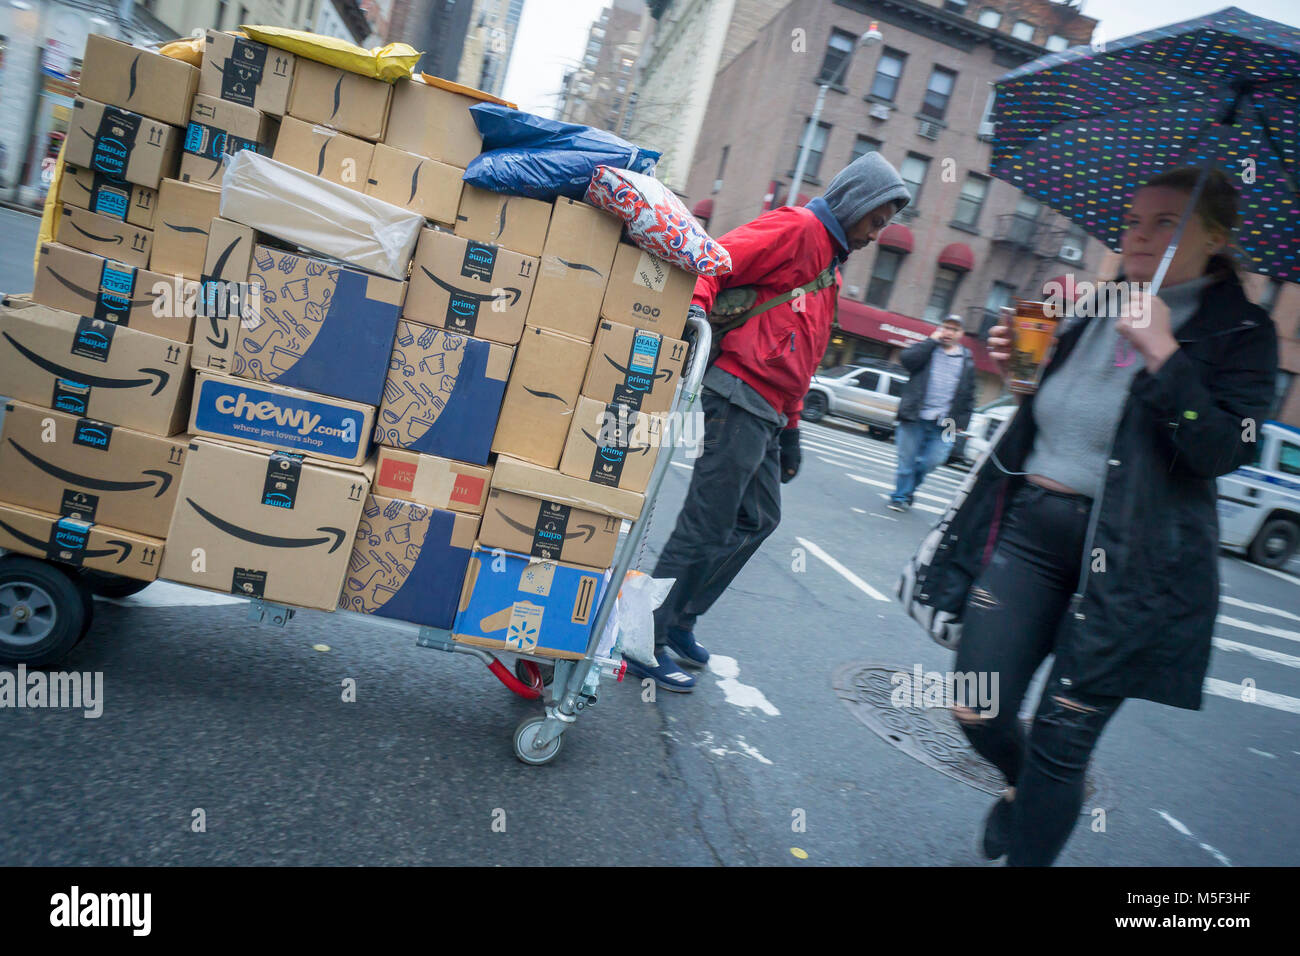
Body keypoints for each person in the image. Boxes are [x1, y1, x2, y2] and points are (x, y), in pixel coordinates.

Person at [909, 166, 1277, 865]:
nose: (1141, 235)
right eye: (1135, 220)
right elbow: (1056, 409)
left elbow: (1224, 447)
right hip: (1030, 534)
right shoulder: (1103, 299)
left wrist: (1166, 354)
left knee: (1061, 741)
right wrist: (1023, 370)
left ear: (1215, 237)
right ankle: (1029, 794)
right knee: (975, 704)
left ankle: (1036, 820)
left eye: (1166, 222)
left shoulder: (1243, 331)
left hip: (1133, 567)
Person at [627, 152, 913, 692]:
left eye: (884, 225)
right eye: (877, 219)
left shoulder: (829, 263)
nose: (878, 234)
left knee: (758, 519)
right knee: (707, 519)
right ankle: (644, 634)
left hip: (769, 409)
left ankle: (681, 618)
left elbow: (803, 355)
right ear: (857, 202)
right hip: (737, 391)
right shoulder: (799, 228)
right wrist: (694, 313)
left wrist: (795, 428)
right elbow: (717, 259)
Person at [889, 315, 976, 512]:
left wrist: (964, 422)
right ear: (940, 329)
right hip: (914, 416)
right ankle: (900, 497)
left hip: (949, 423)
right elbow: (907, 360)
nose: (949, 332)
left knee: (935, 460)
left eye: (954, 329)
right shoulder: (927, 350)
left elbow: (970, 394)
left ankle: (908, 490)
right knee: (906, 461)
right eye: (946, 327)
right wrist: (931, 341)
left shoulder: (967, 360)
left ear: (960, 334)